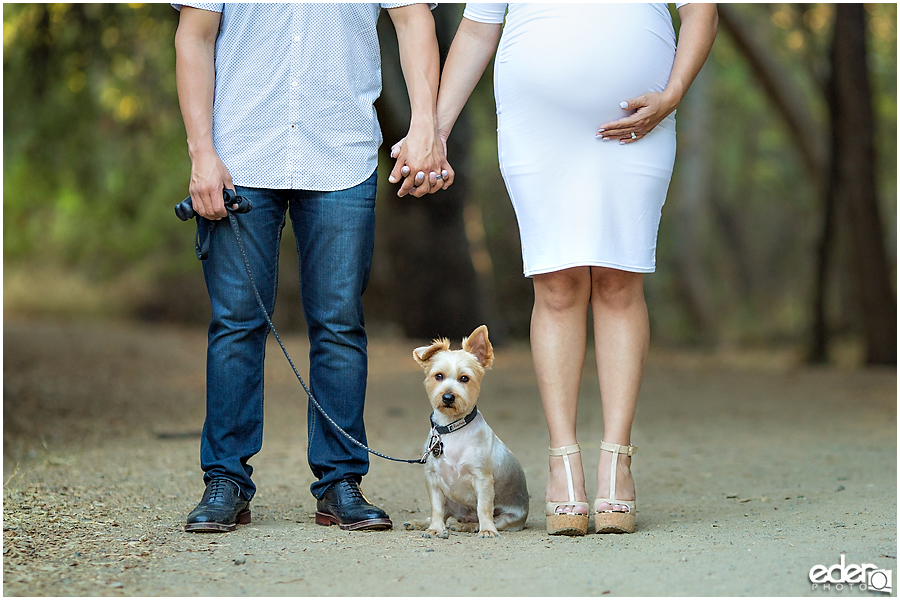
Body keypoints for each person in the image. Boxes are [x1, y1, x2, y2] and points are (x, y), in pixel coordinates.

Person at [391, 3, 717, 535]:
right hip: (536, 124)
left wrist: (674, 91)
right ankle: (563, 463)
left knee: (619, 278)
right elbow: (476, 31)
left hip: (642, 119)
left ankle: (618, 462)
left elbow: (702, 11)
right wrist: (436, 131)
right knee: (558, 284)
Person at [173, 2, 447, 533]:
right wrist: (201, 153)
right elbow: (194, 36)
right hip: (239, 154)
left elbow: (414, 20)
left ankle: (340, 483)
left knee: (340, 323)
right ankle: (225, 479)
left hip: (341, 152)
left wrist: (425, 126)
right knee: (235, 323)